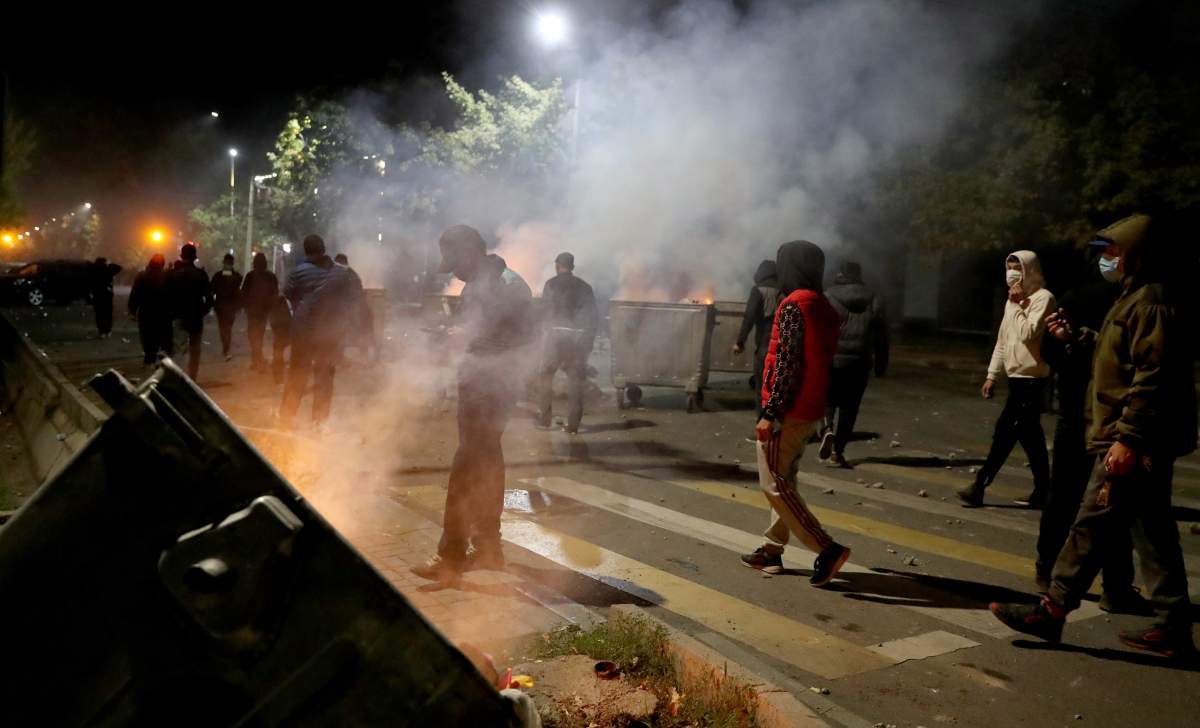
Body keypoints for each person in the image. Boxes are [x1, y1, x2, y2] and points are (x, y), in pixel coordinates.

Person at [990, 213, 1197, 659]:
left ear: (1135, 254)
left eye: (1113, 251)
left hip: (1131, 441)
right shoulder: (1134, 298)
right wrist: (1078, 339)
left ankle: (1052, 609)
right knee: (1153, 532)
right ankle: (1174, 626)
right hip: (1130, 438)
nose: (1106, 259)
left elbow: (1153, 376)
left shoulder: (1151, 302)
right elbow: (1116, 357)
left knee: (1090, 523)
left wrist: (1129, 438)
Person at [412, 225, 533, 581]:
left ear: (471, 252)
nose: (454, 271)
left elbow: (519, 337)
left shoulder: (506, 285)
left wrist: (469, 337)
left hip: (493, 386)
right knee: (486, 462)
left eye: (455, 263)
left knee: (466, 465)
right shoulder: (481, 283)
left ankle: (451, 557)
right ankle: (489, 550)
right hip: (480, 383)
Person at [1034, 258, 1146, 613]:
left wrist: (1072, 342)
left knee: (1101, 504)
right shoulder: (1087, 298)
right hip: (1086, 411)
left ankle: (1099, 585)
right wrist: (1068, 342)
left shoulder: (1139, 303)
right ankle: (1071, 580)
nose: (1107, 258)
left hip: (1107, 417)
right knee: (1085, 501)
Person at [738, 240, 852, 587]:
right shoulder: (824, 306)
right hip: (810, 408)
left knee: (772, 483)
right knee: (785, 481)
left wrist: (770, 413)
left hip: (788, 410)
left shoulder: (792, 307)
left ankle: (826, 548)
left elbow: (786, 364)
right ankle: (772, 550)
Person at [957, 251, 1055, 508]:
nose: (1012, 273)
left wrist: (1018, 304)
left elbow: (1028, 333)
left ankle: (979, 485)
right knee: (1030, 439)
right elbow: (1003, 341)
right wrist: (992, 375)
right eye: (1009, 267)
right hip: (1016, 379)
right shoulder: (1012, 302)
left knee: (1004, 433)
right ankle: (1044, 491)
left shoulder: (1043, 298)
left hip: (1032, 380)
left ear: (1030, 271)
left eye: (1018, 268)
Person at [817, 261, 888, 467]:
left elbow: (819, 330)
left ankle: (826, 429)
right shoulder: (873, 297)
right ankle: (838, 452)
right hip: (860, 361)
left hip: (832, 360)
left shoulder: (828, 296)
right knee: (850, 407)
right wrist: (881, 362)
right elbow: (882, 335)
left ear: (840, 273)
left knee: (828, 400)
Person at [534, 252, 598, 435]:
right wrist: (588, 342)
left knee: (545, 376)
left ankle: (545, 421)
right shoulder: (585, 287)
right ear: (573, 267)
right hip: (576, 340)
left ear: (557, 265)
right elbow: (592, 317)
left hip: (554, 338)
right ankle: (573, 426)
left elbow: (545, 312)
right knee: (575, 382)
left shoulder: (550, 284)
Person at [279, 234, 337, 426]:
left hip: (302, 330)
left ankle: (287, 416)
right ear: (323, 249)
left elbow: (287, 293)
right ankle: (319, 421)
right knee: (324, 374)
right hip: (326, 330)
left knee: (298, 371)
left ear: (306, 250)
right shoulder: (334, 273)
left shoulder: (298, 272)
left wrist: (299, 306)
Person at [733, 259, 781, 418]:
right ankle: (777, 427)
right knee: (778, 387)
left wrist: (740, 342)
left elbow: (749, 317)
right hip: (784, 344)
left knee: (762, 387)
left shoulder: (758, 290)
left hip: (765, 344)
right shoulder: (784, 290)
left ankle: (762, 429)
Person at [166, 243, 213, 381]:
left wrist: (171, 313)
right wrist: (202, 311)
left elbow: (166, 297)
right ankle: (192, 377)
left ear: (182, 256)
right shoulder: (201, 274)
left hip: (178, 316)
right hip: (195, 318)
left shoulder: (171, 275)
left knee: (178, 348)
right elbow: (209, 299)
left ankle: (176, 378)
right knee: (195, 350)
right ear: (194, 257)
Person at [127, 254, 171, 364]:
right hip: (163, 312)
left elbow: (134, 294)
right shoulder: (167, 276)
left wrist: (132, 311)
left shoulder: (142, 275)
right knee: (163, 337)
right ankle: (163, 361)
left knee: (148, 337)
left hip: (146, 312)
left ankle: (149, 358)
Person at [334, 253, 376, 362]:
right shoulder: (352, 273)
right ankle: (363, 356)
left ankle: (340, 357)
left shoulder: (341, 274)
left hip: (352, 309)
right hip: (359, 308)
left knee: (340, 329)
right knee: (363, 330)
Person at [240, 252, 278, 372]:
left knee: (252, 335)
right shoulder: (271, 276)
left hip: (252, 310)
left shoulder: (250, 275)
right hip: (264, 311)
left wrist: (244, 306)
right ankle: (257, 359)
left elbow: (244, 292)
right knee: (259, 335)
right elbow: (275, 292)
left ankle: (257, 359)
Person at [210, 252, 243, 361]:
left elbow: (212, 289)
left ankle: (226, 348)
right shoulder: (237, 276)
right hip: (230, 307)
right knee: (227, 328)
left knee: (223, 328)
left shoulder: (218, 276)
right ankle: (226, 348)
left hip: (221, 306)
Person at [89, 257, 122, 339]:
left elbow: (89, 284)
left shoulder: (93, 270)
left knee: (99, 314)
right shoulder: (108, 269)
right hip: (107, 295)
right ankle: (108, 330)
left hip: (97, 295)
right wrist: (109, 264)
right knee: (108, 314)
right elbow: (119, 267)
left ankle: (101, 331)